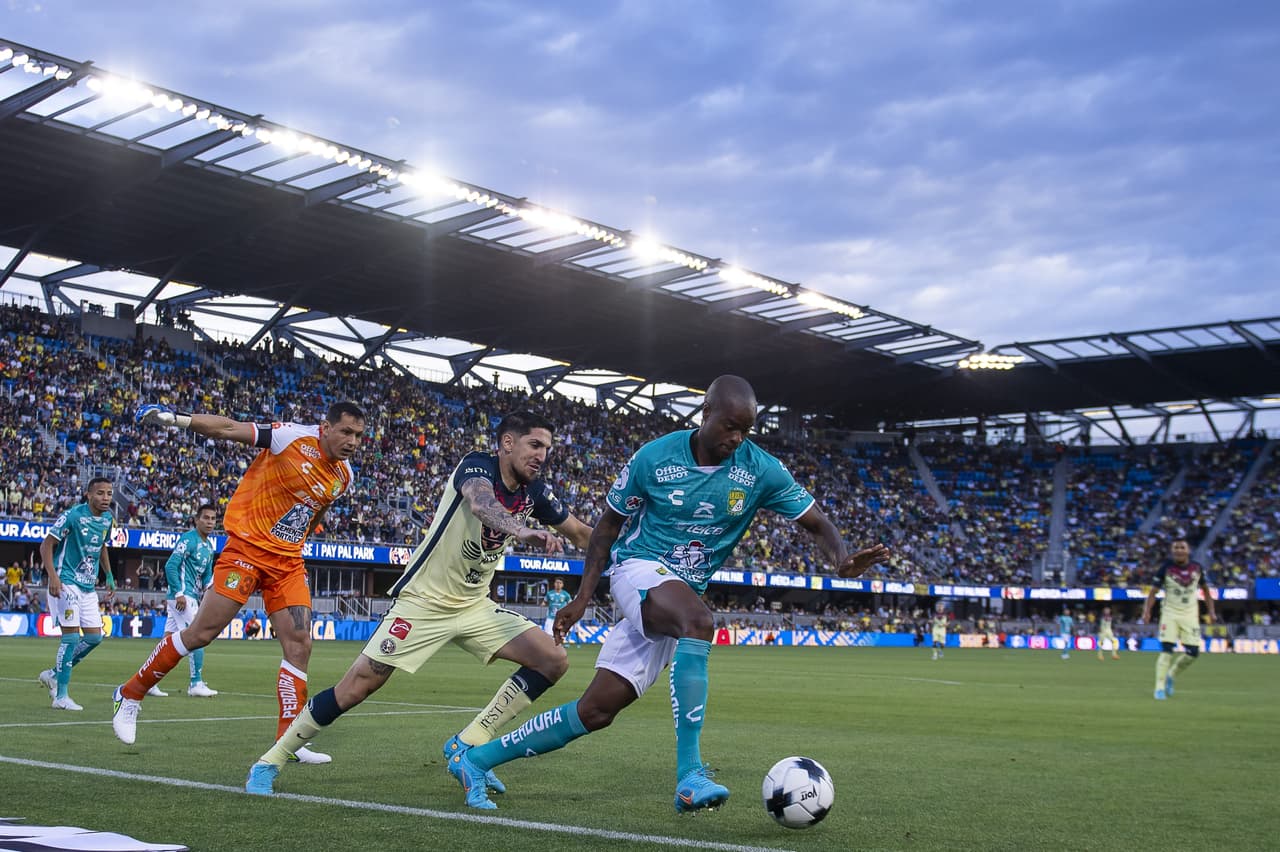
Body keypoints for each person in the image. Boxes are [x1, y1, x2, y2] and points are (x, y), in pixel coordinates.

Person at [446, 376, 889, 812]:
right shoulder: (654, 457)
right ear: (706, 414)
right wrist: (582, 597)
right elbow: (605, 530)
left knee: (596, 711)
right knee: (699, 621)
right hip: (636, 567)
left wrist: (841, 559)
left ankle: (476, 760)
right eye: (730, 427)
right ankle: (690, 776)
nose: (736, 438)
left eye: (746, 430)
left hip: (678, 592)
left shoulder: (760, 469)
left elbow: (816, 521)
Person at [244, 411, 593, 796]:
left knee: (553, 660)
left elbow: (579, 533)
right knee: (357, 687)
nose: (542, 455)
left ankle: (468, 743)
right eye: (535, 445)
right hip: (423, 603)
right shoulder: (477, 466)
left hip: (475, 605)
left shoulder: (536, 492)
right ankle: (270, 761)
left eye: (547, 449)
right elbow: (481, 506)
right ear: (508, 443)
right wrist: (524, 531)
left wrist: (630, 546)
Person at [111, 401, 365, 766]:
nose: (352, 441)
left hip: (288, 561)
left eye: (358, 435)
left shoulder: (344, 476)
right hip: (246, 548)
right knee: (201, 633)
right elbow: (229, 428)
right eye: (346, 432)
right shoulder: (290, 437)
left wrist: (295, 542)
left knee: (300, 644)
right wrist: (178, 420)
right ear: (325, 428)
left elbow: (316, 510)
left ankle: (288, 739)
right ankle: (130, 692)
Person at [36, 477, 117, 710]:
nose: (105, 498)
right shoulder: (73, 515)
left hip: (88, 585)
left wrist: (109, 575)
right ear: (88, 494)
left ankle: (52, 674)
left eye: (109, 493)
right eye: (100, 493)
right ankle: (61, 696)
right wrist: (53, 576)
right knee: (70, 637)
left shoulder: (108, 520)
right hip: (66, 581)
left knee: (94, 637)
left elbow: (102, 546)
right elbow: (46, 545)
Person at [1142, 539, 1216, 700]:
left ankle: (1171, 675)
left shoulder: (1197, 568)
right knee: (1166, 650)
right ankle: (1159, 688)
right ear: (1172, 550)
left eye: (1182, 547)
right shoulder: (1165, 568)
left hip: (1190, 615)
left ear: (1188, 550)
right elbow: (1153, 592)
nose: (1179, 550)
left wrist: (1211, 611)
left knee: (1193, 653)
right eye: (1176, 547)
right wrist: (1147, 611)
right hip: (1170, 614)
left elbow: (1206, 591)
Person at [160, 503, 220, 697]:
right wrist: (178, 593)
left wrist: (212, 592)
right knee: (198, 637)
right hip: (182, 597)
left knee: (167, 641)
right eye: (206, 518)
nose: (210, 522)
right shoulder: (188, 540)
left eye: (213, 519)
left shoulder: (209, 547)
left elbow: (206, 578)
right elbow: (170, 566)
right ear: (196, 520)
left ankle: (149, 681)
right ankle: (196, 683)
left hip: (191, 596)